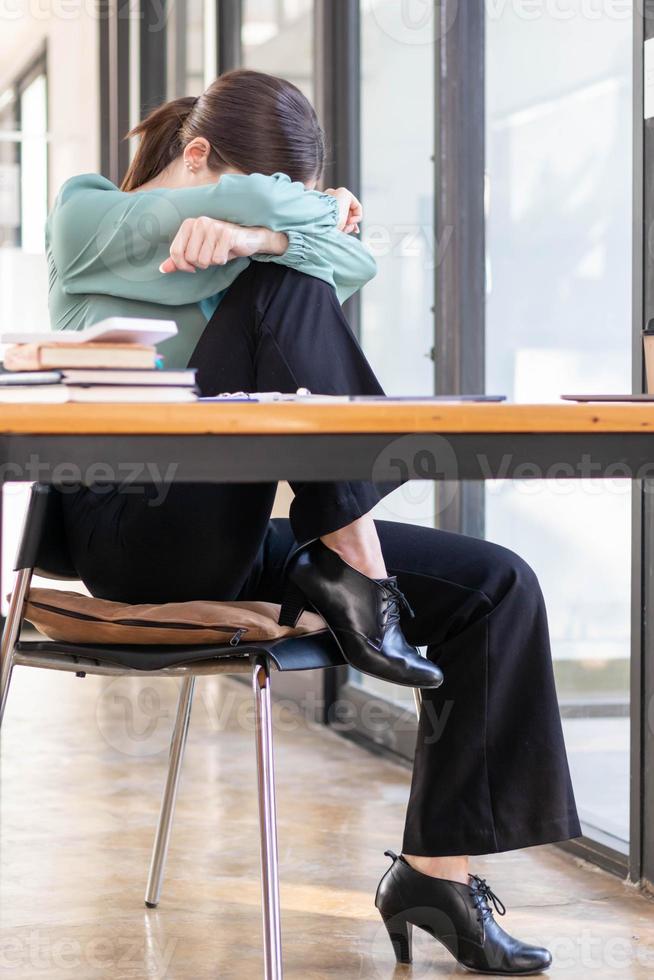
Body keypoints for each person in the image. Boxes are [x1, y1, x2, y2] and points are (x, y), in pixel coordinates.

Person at [47, 69, 580, 975]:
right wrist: (296, 221)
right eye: (248, 192)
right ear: (201, 155)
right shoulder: (88, 217)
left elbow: (354, 254)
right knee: (284, 292)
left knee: (497, 587)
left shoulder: (253, 245)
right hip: (129, 531)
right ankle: (359, 572)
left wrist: (261, 231)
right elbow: (336, 241)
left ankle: (434, 875)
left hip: (235, 528)